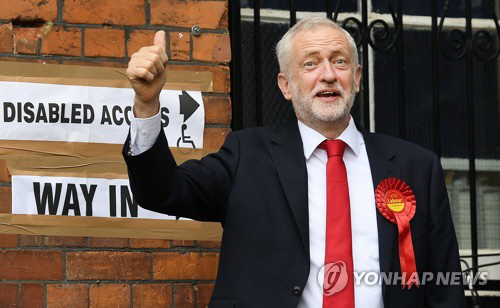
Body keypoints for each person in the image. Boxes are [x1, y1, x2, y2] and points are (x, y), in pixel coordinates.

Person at [123, 17, 466, 308]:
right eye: (311, 63)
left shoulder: (417, 167)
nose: (329, 74)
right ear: (286, 85)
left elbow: (445, 286)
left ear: (357, 78)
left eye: (340, 61)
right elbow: (162, 191)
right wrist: (147, 104)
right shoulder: (247, 155)